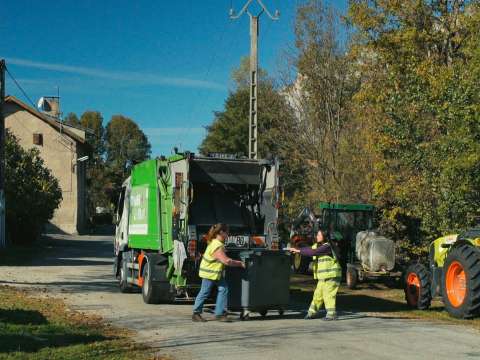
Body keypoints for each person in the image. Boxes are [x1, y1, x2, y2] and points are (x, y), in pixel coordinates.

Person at [192, 223, 245, 322]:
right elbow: (226, 261)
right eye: (227, 232)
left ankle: (219, 313)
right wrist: (240, 263)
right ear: (221, 232)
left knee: (223, 289)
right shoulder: (217, 245)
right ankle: (196, 313)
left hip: (215, 273)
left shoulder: (216, 243)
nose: (228, 234)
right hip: (209, 273)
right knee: (204, 292)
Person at [289, 229, 342, 321]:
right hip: (324, 277)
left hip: (332, 276)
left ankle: (331, 314)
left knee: (328, 294)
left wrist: (298, 251)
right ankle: (311, 313)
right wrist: (297, 249)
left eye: (318, 235)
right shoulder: (320, 246)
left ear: (324, 237)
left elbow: (313, 252)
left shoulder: (327, 246)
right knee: (317, 295)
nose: (316, 236)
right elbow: (310, 249)